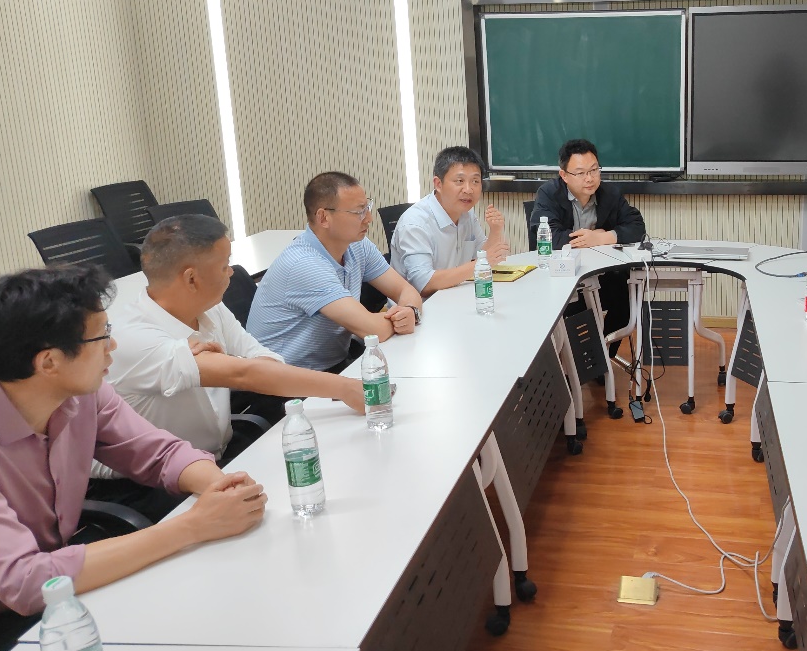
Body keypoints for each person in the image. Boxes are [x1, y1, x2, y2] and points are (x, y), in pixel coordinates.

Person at [0, 265, 268, 624]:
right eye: (101, 336)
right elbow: (22, 581)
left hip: (60, 586)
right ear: (49, 361)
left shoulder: (83, 393)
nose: (112, 345)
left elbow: (159, 452)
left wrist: (222, 489)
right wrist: (194, 525)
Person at [108, 214, 366, 477]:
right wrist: (345, 388)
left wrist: (236, 366)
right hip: (152, 479)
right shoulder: (134, 338)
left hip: (215, 454)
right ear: (191, 279)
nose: (231, 272)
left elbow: (262, 358)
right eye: (224, 266)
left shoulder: (209, 307)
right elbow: (245, 373)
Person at [247, 172, 424, 372]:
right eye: (359, 212)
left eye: (367, 208)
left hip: (334, 364)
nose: (369, 218)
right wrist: (400, 320)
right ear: (323, 217)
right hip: (286, 379)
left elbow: (406, 290)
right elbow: (374, 331)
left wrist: (411, 311)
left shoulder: (357, 245)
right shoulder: (304, 264)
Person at [529, 139, 647, 353]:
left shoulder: (609, 194)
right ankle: (576, 359)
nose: (590, 178)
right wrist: (588, 239)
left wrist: (602, 238)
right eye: (581, 173)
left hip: (599, 278)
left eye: (594, 170)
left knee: (630, 292)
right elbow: (548, 237)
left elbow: (637, 227)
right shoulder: (549, 193)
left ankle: (602, 355)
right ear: (564, 175)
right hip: (561, 280)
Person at [391, 146, 510, 297]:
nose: (468, 189)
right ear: (438, 184)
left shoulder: (466, 214)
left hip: (455, 295)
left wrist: (495, 230)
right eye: (460, 181)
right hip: (420, 307)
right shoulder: (415, 223)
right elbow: (424, 284)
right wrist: (479, 263)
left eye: (475, 181)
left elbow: (483, 256)